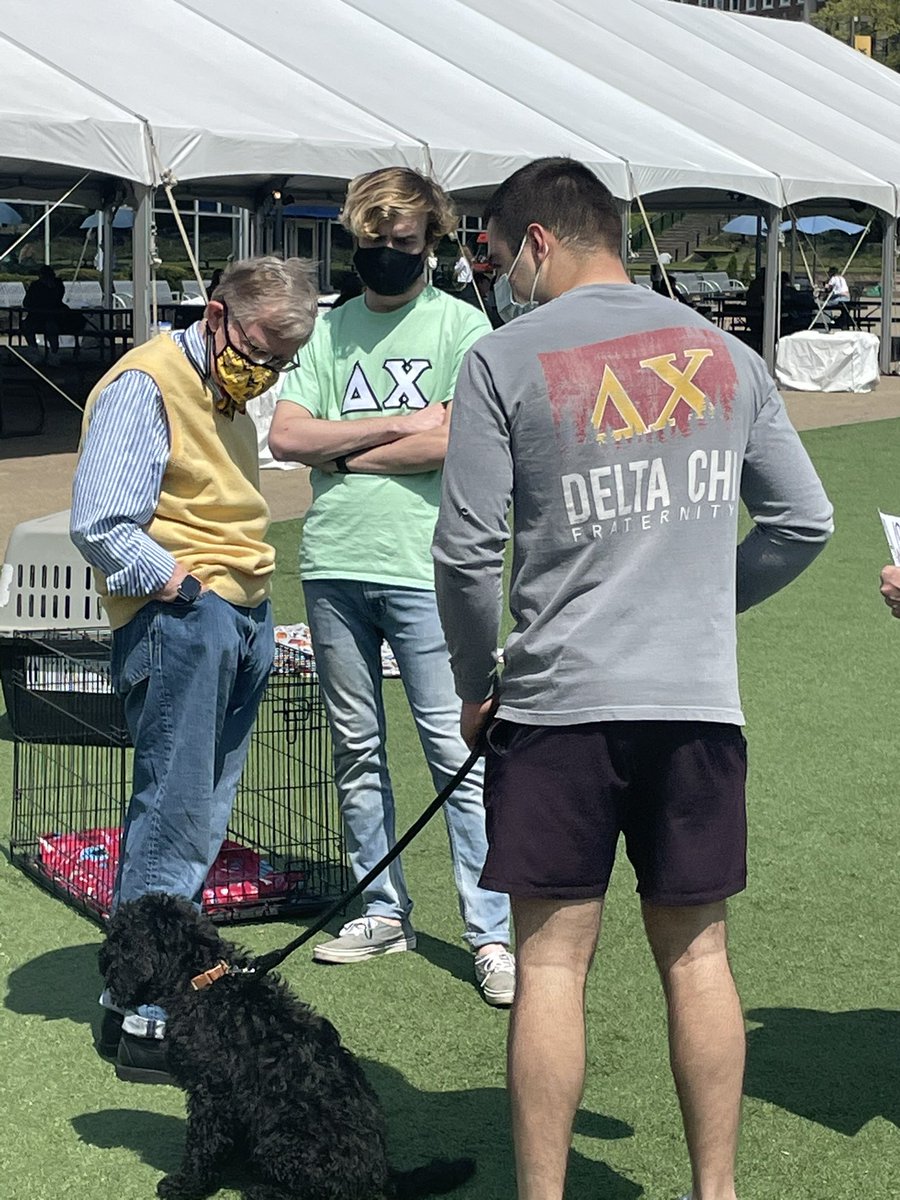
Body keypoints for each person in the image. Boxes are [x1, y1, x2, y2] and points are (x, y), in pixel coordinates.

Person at [431, 157, 834, 1199]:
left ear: (535, 244)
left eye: (498, 255)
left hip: (557, 702)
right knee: (698, 959)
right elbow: (804, 521)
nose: (499, 277)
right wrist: (701, 604)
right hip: (694, 704)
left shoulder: (502, 358)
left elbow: (467, 551)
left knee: (552, 966)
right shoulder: (728, 355)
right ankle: (717, 1191)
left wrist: (479, 681)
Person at [268, 166, 515, 1007]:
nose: (383, 258)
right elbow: (288, 433)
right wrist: (392, 427)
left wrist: (342, 446)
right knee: (356, 750)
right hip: (333, 561)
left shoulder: (463, 325)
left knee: (456, 752)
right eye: (371, 245)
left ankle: (490, 931)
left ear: (432, 241)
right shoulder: (327, 332)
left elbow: (450, 443)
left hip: (423, 567)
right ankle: (383, 908)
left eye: (400, 244)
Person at [70, 256, 319, 1082]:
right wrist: (185, 589)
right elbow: (102, 521)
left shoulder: (228, 392)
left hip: (233, 608)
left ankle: (138, 1001)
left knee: (203, 813)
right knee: (175, 817)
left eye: (286, 360)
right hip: (186, 613)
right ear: (217, 315)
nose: (270, 370)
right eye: (264, 348)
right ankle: (146, 1013)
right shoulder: (145, 383)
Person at [22, 264, 84, 356]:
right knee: (26, 325)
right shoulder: (36, 286)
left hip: (55, 317)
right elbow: (27, 302)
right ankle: (34, 349)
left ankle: (53, 352)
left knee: (51, 327)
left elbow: (55, 300)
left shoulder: (56, 285)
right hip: (38, 316)